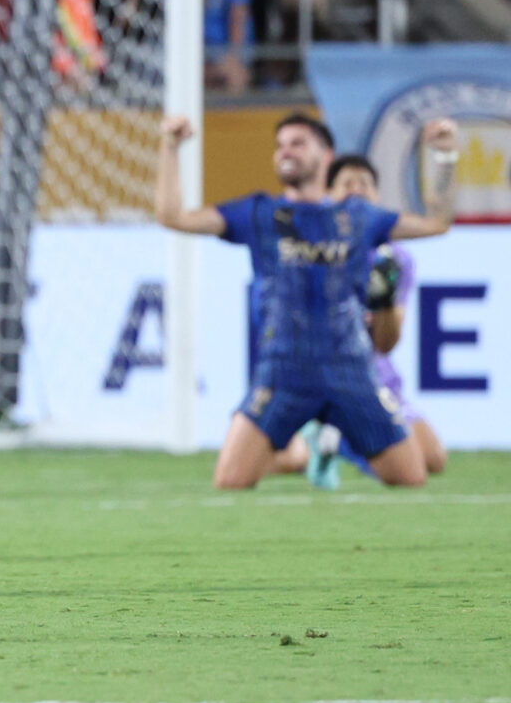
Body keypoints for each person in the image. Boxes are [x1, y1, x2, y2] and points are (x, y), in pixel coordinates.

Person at [154, 112, 457, 490]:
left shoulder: (359, 217)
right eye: (280, 145)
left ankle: (330, 442)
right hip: (283, 370)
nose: (286, 151)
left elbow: (437, 223)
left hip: (352, 368)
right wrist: (170, 148)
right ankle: (313, 447)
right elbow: (172, 216)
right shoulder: (258, 213)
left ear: (325, 155)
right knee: (230, 480)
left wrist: (444, 157)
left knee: (412, 476)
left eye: (298, 143)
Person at [323, 154, 449, 480]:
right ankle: (331, 434)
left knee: (433, 458)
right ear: (329, 195)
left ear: (376, 196)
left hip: (375, 377)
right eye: (346, 184)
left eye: (364, 184)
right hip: (321, 373)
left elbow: (386, 343)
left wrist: (385, 301)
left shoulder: (395, 259)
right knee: (281, 459)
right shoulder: (312, 249)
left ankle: (338, 442)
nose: (356, 190)